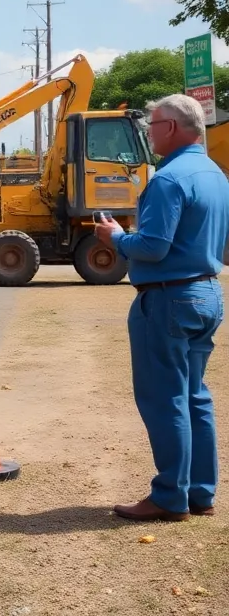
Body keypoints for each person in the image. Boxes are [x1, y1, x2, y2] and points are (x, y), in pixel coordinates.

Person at [95, 94, 229, 522]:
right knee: (194, 396)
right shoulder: (215, 175)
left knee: (165, 397)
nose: (149, 133)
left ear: (170, 127)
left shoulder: (169, 179)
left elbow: (152, 247)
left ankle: (171, 495)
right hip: (206, 292)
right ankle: (200, 493)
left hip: (169, 297)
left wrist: (115, 237)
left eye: (152, 125)